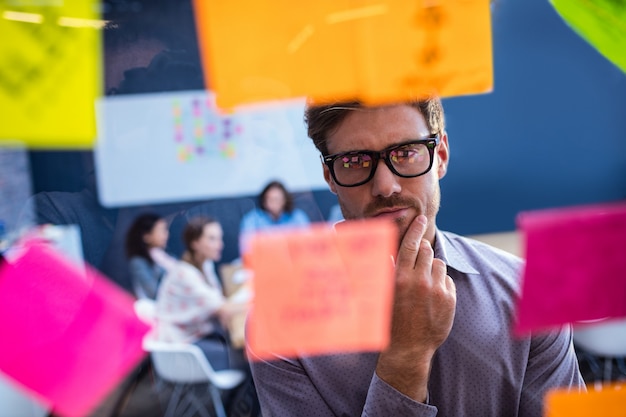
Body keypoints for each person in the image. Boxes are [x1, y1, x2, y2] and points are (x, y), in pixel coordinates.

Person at [246, 97, 586, 416]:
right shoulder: (277, 322)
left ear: (441, 156)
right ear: (329, 177)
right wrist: (405, 359)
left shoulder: (528, 290)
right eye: (354, 161)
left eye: (406, 153)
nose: (385, 185)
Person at [155, 215, 248, 371]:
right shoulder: (184, 274)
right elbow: (223, 308)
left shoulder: (205, 264)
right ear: (195, 243)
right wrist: (260, 301)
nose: (220, 244)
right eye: (212, 239)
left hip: (197, 335)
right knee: (249, 359)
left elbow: (218, 303)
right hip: (182, 347)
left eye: (220, 238)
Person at [239, 180, 311, 255]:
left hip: (294, 260)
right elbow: (246, 248)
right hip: (262, 261)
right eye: (271, 199)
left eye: (277, 199)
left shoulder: (297, 217)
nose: (274, 203)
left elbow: (307, 244)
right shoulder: (252, 220)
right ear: (264, 201)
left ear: (284, 200)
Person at [125, 213, 176, 300]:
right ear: (146, 236)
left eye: (165, 230)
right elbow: (152, 292)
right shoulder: (138, 262)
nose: (166, 234)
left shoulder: (166, 256)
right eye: (161, 231)